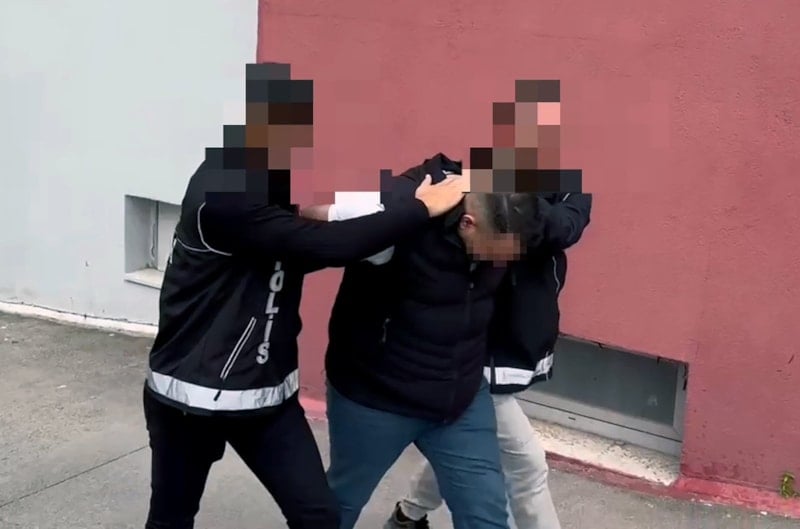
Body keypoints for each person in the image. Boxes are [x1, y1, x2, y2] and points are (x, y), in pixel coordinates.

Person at [141, 63, 468, 529]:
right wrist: (419, 209)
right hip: (190, 400)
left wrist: (378, 218)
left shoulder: (266, 174)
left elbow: (291, 252)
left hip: (264, 399)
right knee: (172, 519)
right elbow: (324, 246)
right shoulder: (224, 191)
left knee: (318, 516)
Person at [387, 80, 592, 529]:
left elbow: (565, 228)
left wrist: (506, 202)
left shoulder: (565, 188)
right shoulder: (469, 176)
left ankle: (408, 514)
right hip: (470, 343)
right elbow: (410, 199)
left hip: (519, 339)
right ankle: (408, 514)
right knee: (527, 465)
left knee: (474, 438)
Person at [302, 152, 545, 529]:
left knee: (487, 515)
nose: (500, 263)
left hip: (459, 398)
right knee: (340, 505)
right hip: (376, 399)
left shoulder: (511, 215)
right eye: (495, 252)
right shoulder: (398, 210)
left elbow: (568, 218)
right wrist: (407, 213)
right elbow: (311, 219)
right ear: (468, 223)